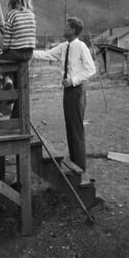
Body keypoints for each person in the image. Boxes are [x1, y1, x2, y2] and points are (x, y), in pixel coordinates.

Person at [32, 17, 95, 172]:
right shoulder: (63, 46)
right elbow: (47, 55)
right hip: (67, 92)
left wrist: (73, 80)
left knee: (76, 128)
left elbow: (91, 69)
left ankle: (80, 166)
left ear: (73, 30)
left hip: (77, 90)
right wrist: (29, 52)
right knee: (70, 126)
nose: (63, 28)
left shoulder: (81, 47)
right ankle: (75, 163)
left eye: (66, 27)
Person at [0, 0, 36, 118]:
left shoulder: (12, 14)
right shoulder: (31, 15)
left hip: (15, 52)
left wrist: (4, 49)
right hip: (28, 53)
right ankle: (15, 117)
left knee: (0, 60)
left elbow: (7, 37)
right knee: (22, 87)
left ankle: (7, 79)